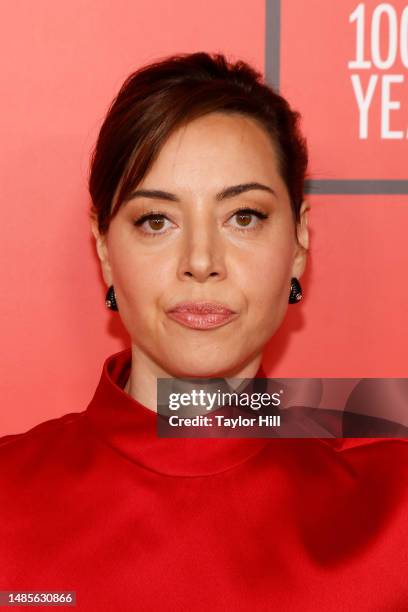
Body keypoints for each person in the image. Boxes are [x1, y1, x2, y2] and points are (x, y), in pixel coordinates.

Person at [1, 52, 407, 611]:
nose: (200, 260)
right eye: (156, 220)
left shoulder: (394, 509)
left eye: (244, 216)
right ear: (103, 247)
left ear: (300, 241)